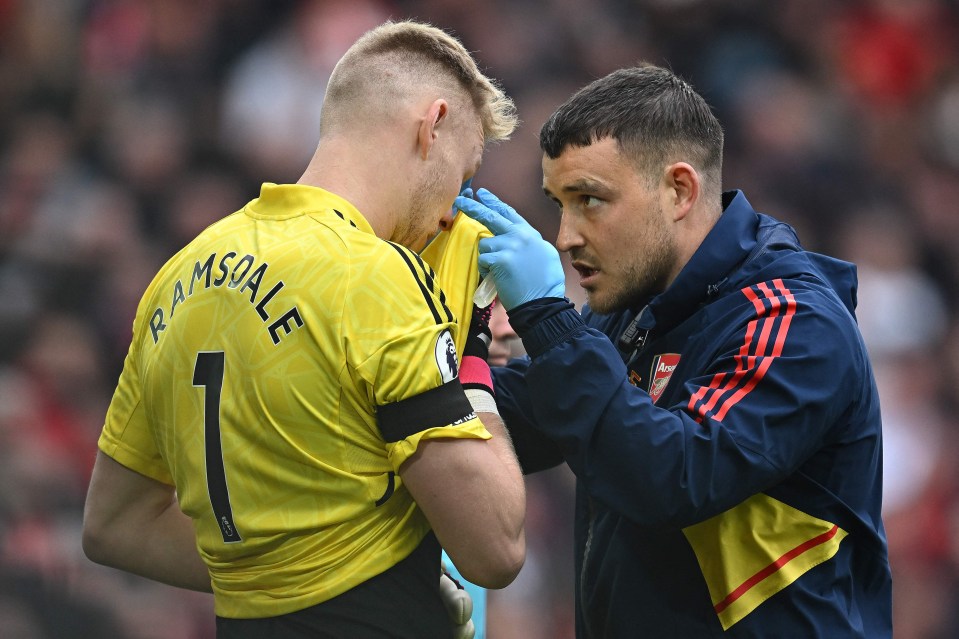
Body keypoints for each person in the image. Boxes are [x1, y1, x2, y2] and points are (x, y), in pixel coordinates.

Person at [82, 20, 526, 638]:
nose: (455, 208)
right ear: (432, 126)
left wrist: (280, 573)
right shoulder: (372, 274)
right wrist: (475, 359)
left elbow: (113, 526)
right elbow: (496, 548)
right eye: (465, 172)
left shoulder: (176, 276)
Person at [456, 64, 892, 637]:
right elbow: (531, 417)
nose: (564, 236)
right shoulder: (632, 308)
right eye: (559, 204)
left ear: (680, 191)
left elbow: (673, 477)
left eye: (589, 200)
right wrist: (448, 345)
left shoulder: (793, 322)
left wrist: (547, 317)